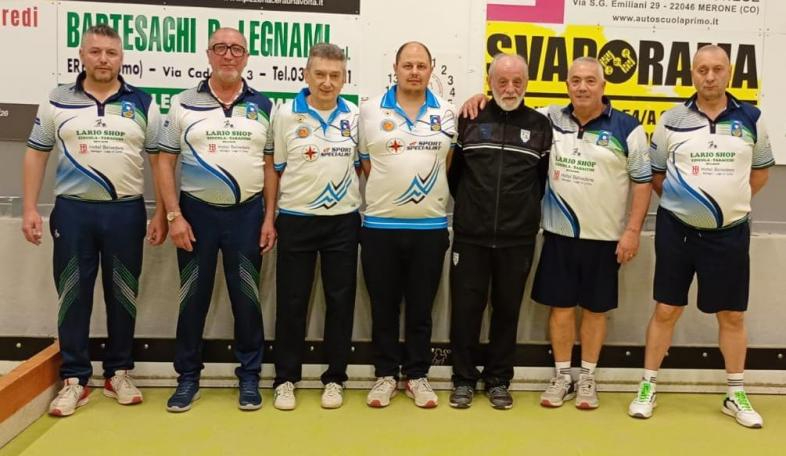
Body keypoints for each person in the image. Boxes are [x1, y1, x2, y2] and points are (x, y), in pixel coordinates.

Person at [22, 24, 166, 417]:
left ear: (122, 58)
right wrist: (30, 208)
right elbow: (36, 153)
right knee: (73, 294)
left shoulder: (144, 103)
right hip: (73, 211)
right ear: (82, 56)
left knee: (123, 294)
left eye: (111, 53)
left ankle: (119, 372)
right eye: (96, 52)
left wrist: (161, 212)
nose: (104, 59)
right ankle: (75, 379)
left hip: (126, 212)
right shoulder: (57, 100)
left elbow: (159, 160)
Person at [628, 45, 773, 428]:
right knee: (666, 309)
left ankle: (735, 394)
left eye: (717, 69)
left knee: (732, 315)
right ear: (692, 74)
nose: (710, 76)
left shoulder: (752, 119)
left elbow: (760, 173)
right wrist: (687, 205)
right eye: (702, 69)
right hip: (677, 232)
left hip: (730, 234)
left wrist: (728, 205)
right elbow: (656, 173)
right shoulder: (671, 120)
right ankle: (647, 386)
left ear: (729, 72)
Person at [157, 27, 276, 412]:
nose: (228, 55)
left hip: (247, 216)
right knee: (193, 299)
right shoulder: (182, 103)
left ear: (246, 57)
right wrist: (174, 216)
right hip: (196, 215)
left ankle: (250, 377)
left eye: (236, 49)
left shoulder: (264, 105)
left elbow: (270, 166)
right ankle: (187, 378)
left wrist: (269, 218)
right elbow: (164, 162)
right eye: (221, 48)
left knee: (247, 300)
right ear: (208, 54)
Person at [447, 53, 552, 410]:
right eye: (502, 81)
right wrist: (472, 211)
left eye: (517, 82)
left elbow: (541, 181)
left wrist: (520, 215)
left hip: (517, 239)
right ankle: (463, 379)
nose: (510, 88)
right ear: (490, 83)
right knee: (466, 311)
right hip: (471, 236)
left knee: (507, 312)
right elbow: (455, 176)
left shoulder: (541, 125)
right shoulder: (470, 118)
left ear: (526, 84)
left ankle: (498, 380)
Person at [359, 41, 456, 408]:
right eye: (408, 65)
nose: (414, 72)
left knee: (420, 308)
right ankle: (385, 375)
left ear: (431, 69)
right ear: (396, 68)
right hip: (380, 228)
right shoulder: (369, 111)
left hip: (429, 229)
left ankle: (417, 375)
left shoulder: (447, 112)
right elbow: (366, 163)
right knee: (383, 308)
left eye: (421, 65)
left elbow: (447, 163)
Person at [269, 43, 361, 410]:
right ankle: (285, 379)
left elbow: (362, 166)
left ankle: (335, 378)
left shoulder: (355, 116)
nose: (326, 82)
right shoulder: (285, 114)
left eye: (334, 75)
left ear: (344, 78)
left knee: (340, 302)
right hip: (296, 219)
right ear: (306, 75)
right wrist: (269, 217)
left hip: (343, 221)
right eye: (320, 74)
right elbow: (275, 169)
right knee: (292, 302)